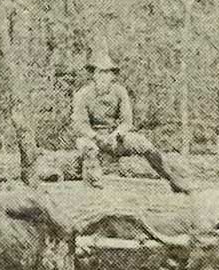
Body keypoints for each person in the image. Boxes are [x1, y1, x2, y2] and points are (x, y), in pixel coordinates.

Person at [71, 51, 189, 193]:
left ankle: (172, 178)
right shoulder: (84, 94)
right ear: (94, 75)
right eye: (100, 72)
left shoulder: (119, 92)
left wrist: (116, 134)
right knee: (88, 148)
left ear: (112, 76)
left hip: (114, 137)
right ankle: (93, 186)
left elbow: (127, 121)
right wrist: (95, 136)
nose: (103, 77)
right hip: (92, 137)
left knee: (142, 143)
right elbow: (80, 124)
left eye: (107, 73)